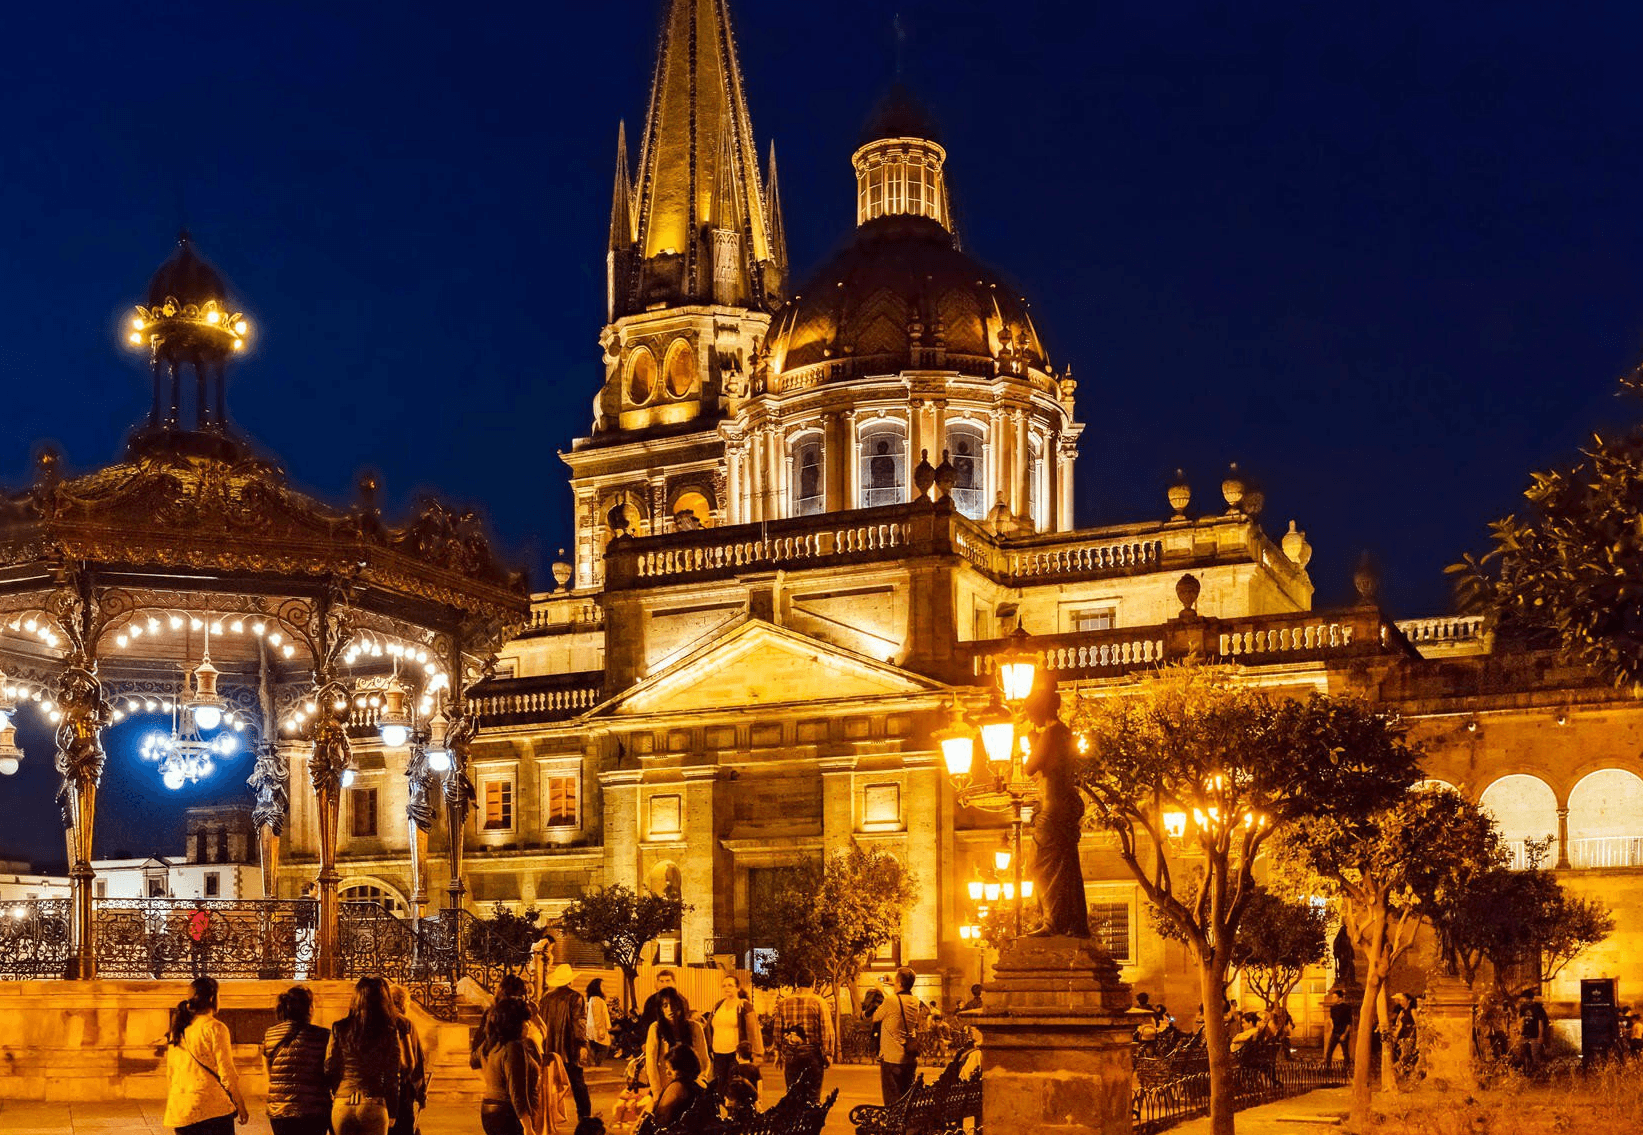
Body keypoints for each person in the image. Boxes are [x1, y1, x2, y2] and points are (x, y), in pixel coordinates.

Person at [1023, 683, 1091, 937]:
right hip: (1063, 804)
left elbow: (1030, 767)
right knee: (1065, 866)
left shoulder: (1051, 734)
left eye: (1030, 712)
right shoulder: (1065, 734)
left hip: (1052, 807)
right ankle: (1068, 921)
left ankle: (1053, 922)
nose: (1029, 718)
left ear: (1040, 710)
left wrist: (1032, 741)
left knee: (1042, 865)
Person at [163, 976, 250, 1135]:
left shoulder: (179, 1030)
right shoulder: (215, 1028)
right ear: (212, 998)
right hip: (212, 1108)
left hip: (181, 1110)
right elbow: (227, 1072)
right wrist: (240, 1104)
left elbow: (171, 1073)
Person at [325, 975, 404, 1135]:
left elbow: (330, 1066)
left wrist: (338, 1091)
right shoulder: (388, 1031)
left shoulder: (339, 1028)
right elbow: (391, 1075)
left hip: (343, 1100)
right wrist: (393, 1110)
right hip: (373, 1101)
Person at [262, 985, 331, 1135]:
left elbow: (269, 1073)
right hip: (314, 1111)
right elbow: (330, 1071)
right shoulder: (323, 1035)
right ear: (309, 1008)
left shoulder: (270, 1035)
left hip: (280, 1111)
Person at [475, 997, 539, 1135]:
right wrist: (528, 1127)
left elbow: (475, 1060)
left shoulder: (491, 1044)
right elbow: (517, 1091)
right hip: (508, 1114)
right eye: (525, 1021)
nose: (529, 1025)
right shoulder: (513, 1048)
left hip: (489, 1109)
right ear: (515, 1024)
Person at [539, 964, 592, 1124]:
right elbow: (579, 1023)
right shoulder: (576, 997)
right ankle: (584, 1117)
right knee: (578, 1084)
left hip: (549, 1049)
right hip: (569, 1049)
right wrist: (582, 1044)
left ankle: (547, 1119)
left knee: (549, 1086)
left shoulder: (546, 998)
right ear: (571, 981)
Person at [872, 967, 928, 1106]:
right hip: (908, 1057)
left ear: (899, 984)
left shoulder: (891, 1001)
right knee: (905, 1097)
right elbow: (899, 1000)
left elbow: (875, 1017)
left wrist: (879, 990)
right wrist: (894, 986)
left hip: (891, 1058)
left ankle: (894, 1125)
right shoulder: (914, 1001)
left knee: (892, 1099)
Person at [643, 987, 708, 1106]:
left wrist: (701, 1080)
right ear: (660, 1009)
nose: (670, 1009)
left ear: (681, 1005)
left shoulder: (695, 1028)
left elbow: (704, 1059)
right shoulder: (656, 1029)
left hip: (691, 1089)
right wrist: (657, 1092)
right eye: (665, 1005)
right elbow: (651, 1063)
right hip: (666, 1089)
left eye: (673, 1004)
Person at [703, 974, 763, 1094]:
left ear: (737, 988)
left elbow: (754, 1030)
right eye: (724, 986)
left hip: (736, 1054)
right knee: (719, 1088)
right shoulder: (718, 1006)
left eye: (730, 985)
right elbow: (709, 1027)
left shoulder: (743, 1006)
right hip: (718, 1053)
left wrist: (757, 1053)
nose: (727, 988)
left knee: (735, 1088)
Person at [773, 984, 834, 1103]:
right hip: (812, 1053)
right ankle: (811, 1121)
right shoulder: (819, 1002)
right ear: (814, 983)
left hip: (791, 1054)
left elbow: (777, 1029)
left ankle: (795, 1120)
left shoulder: (784, 1003)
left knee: (793, 1096)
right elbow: (826, 1029)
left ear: (796, 984)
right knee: (813, 1096)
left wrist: (777, 1052)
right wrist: (828, 1053)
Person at [388, 986, 428, 1135]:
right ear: (401, 1002)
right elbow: (415, 1063)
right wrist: (420, 1093)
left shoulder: (375, 1021)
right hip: (402, 1090)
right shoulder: (404, 1023)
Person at [648, 1045, 705, 1128]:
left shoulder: (677, 1087)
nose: (667, 1073)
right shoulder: (701, 1083)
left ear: (683, 1067)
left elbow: (660, 1119)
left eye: (672, 1069)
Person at [1517, 989, 1550, 1073]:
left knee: (1535, 1054)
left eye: (1527, 999)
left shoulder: (1537, 1008)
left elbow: (1541, 1022)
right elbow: (1521, 1019)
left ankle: (1538, 1072)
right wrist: (1519, 1031)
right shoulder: (1523, 1007)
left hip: (1535, 1034)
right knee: (1525, 1053)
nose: (1525, 1000)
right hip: (1525, 1034)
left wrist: (1540, 1035)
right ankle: (1528, 1071)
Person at [637, 970, 678, 1034]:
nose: (665, 984)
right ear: (657, 984)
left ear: (674, 983)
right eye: (661, 981)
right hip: (655, 1035)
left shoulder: (680, 1000)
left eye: (668, 981)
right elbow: (645, 1022)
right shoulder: (650, 1001)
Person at [585, 978, 613, 1068]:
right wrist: (600, 1030)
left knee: (595, 1047)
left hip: (593, 1029)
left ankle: (593, 1065)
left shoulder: (594, 999)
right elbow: (597, 1016)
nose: (605, 988)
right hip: (597, 1029)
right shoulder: (597, 1000)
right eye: (602, 986)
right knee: (604, 1047)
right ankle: (595, 1065)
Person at [1323, 988, 1354, 1068]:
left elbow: (1349, 1023)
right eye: (1333, 997)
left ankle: (1346, 1070)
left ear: (1340, 998)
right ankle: (1327, 1069)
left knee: (1345, 1052)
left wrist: (1345, 1034)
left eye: (1335, 997)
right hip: (1335, 1033)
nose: (1333, 999)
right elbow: (1332, 1020)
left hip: (1343, 1033)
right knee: (1329, 1052)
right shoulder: (1333, 1008)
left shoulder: (1347, 1008)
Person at [188, 902, 213, 978]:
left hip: (195, 936)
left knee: (195, 957)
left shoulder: (192, 913)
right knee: (203, 957)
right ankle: (203, 973)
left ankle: (195, 974)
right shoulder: (206, 913)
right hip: (203, 936)